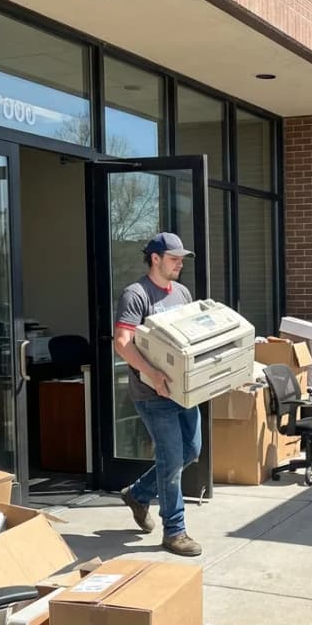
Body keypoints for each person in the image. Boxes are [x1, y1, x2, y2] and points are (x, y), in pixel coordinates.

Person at [113, 232, 203, 556]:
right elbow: (122, 343)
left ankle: (138, 494)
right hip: (152, 393)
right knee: (172, 459)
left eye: (181, 258)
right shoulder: (136, 295)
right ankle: (175, 531)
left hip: (182, 392)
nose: (180, 263)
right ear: (155, 258)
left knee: (191, 451)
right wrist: (153, 374)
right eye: (174, 258)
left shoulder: (181, 292)